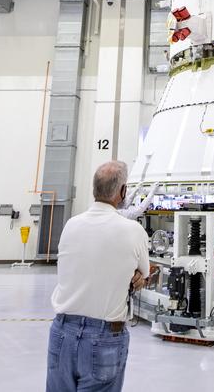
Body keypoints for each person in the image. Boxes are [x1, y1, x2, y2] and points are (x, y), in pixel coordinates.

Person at [47, 161, 150, 392]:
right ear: (123, 191)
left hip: (61, 332)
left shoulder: (70, 225)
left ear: (94, 190)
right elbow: (144, 273)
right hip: (104, 337)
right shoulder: (133, 231)